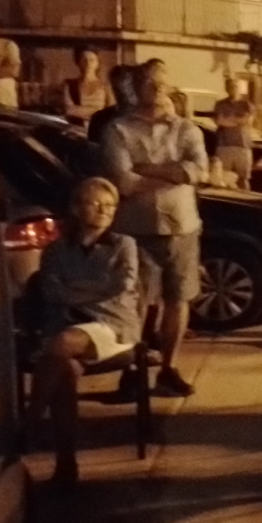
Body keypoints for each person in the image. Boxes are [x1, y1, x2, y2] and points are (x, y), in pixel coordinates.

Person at [101, 66, 208, 398]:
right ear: (136, 86)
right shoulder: (118, 129)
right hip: (136, 230)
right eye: (150, 82)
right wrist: (173, 174)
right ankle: (133, 371)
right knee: (134, 303)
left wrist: (146, 170)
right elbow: (124, 181)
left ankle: (168, 369)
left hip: (181, 228)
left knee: (178, 298)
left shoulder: (187, 129)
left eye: (163, 82)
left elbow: (198, 171)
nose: (158, 88)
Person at [26, 178, 139, 484]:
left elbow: (121, 285)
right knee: (63, 370)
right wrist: (94, 289)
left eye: (111, 205)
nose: (105, 210)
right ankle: (66, 464)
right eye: (96, 203)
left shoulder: (123, 245)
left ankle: (30, 421)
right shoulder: (56, 250)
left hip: (110, 324)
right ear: (77, 208)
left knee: (62, 343)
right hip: (64, 322)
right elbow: (51, 291)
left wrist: (73, 289)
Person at [212, 74, 257, 189]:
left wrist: (228, 120)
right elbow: (219, 121)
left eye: (235, 86)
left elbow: (247, 121)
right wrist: (237, 121)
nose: (233, 88)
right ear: (226, 88)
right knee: (222, 178)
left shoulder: (247, 105)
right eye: (230, 86)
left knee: (243, 179)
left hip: (243, 146)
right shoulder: (220, 104)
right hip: (224, 146)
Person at [87, 64, 140, 144]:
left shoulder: (147, 119)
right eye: (117, 89)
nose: (123, 94)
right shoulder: (99, 119)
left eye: (128, 88)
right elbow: (93, 149)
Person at [64, 46, 110, 125]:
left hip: (98, 129)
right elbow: (69, 110)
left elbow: (110, 113)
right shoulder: (70, 85)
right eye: (84, 60)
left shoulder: (106, 87)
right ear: (78, 62)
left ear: (97, 63)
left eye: (92, 60)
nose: (88, 63)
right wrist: (98, 111)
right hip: (76, 130)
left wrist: (79, 110)